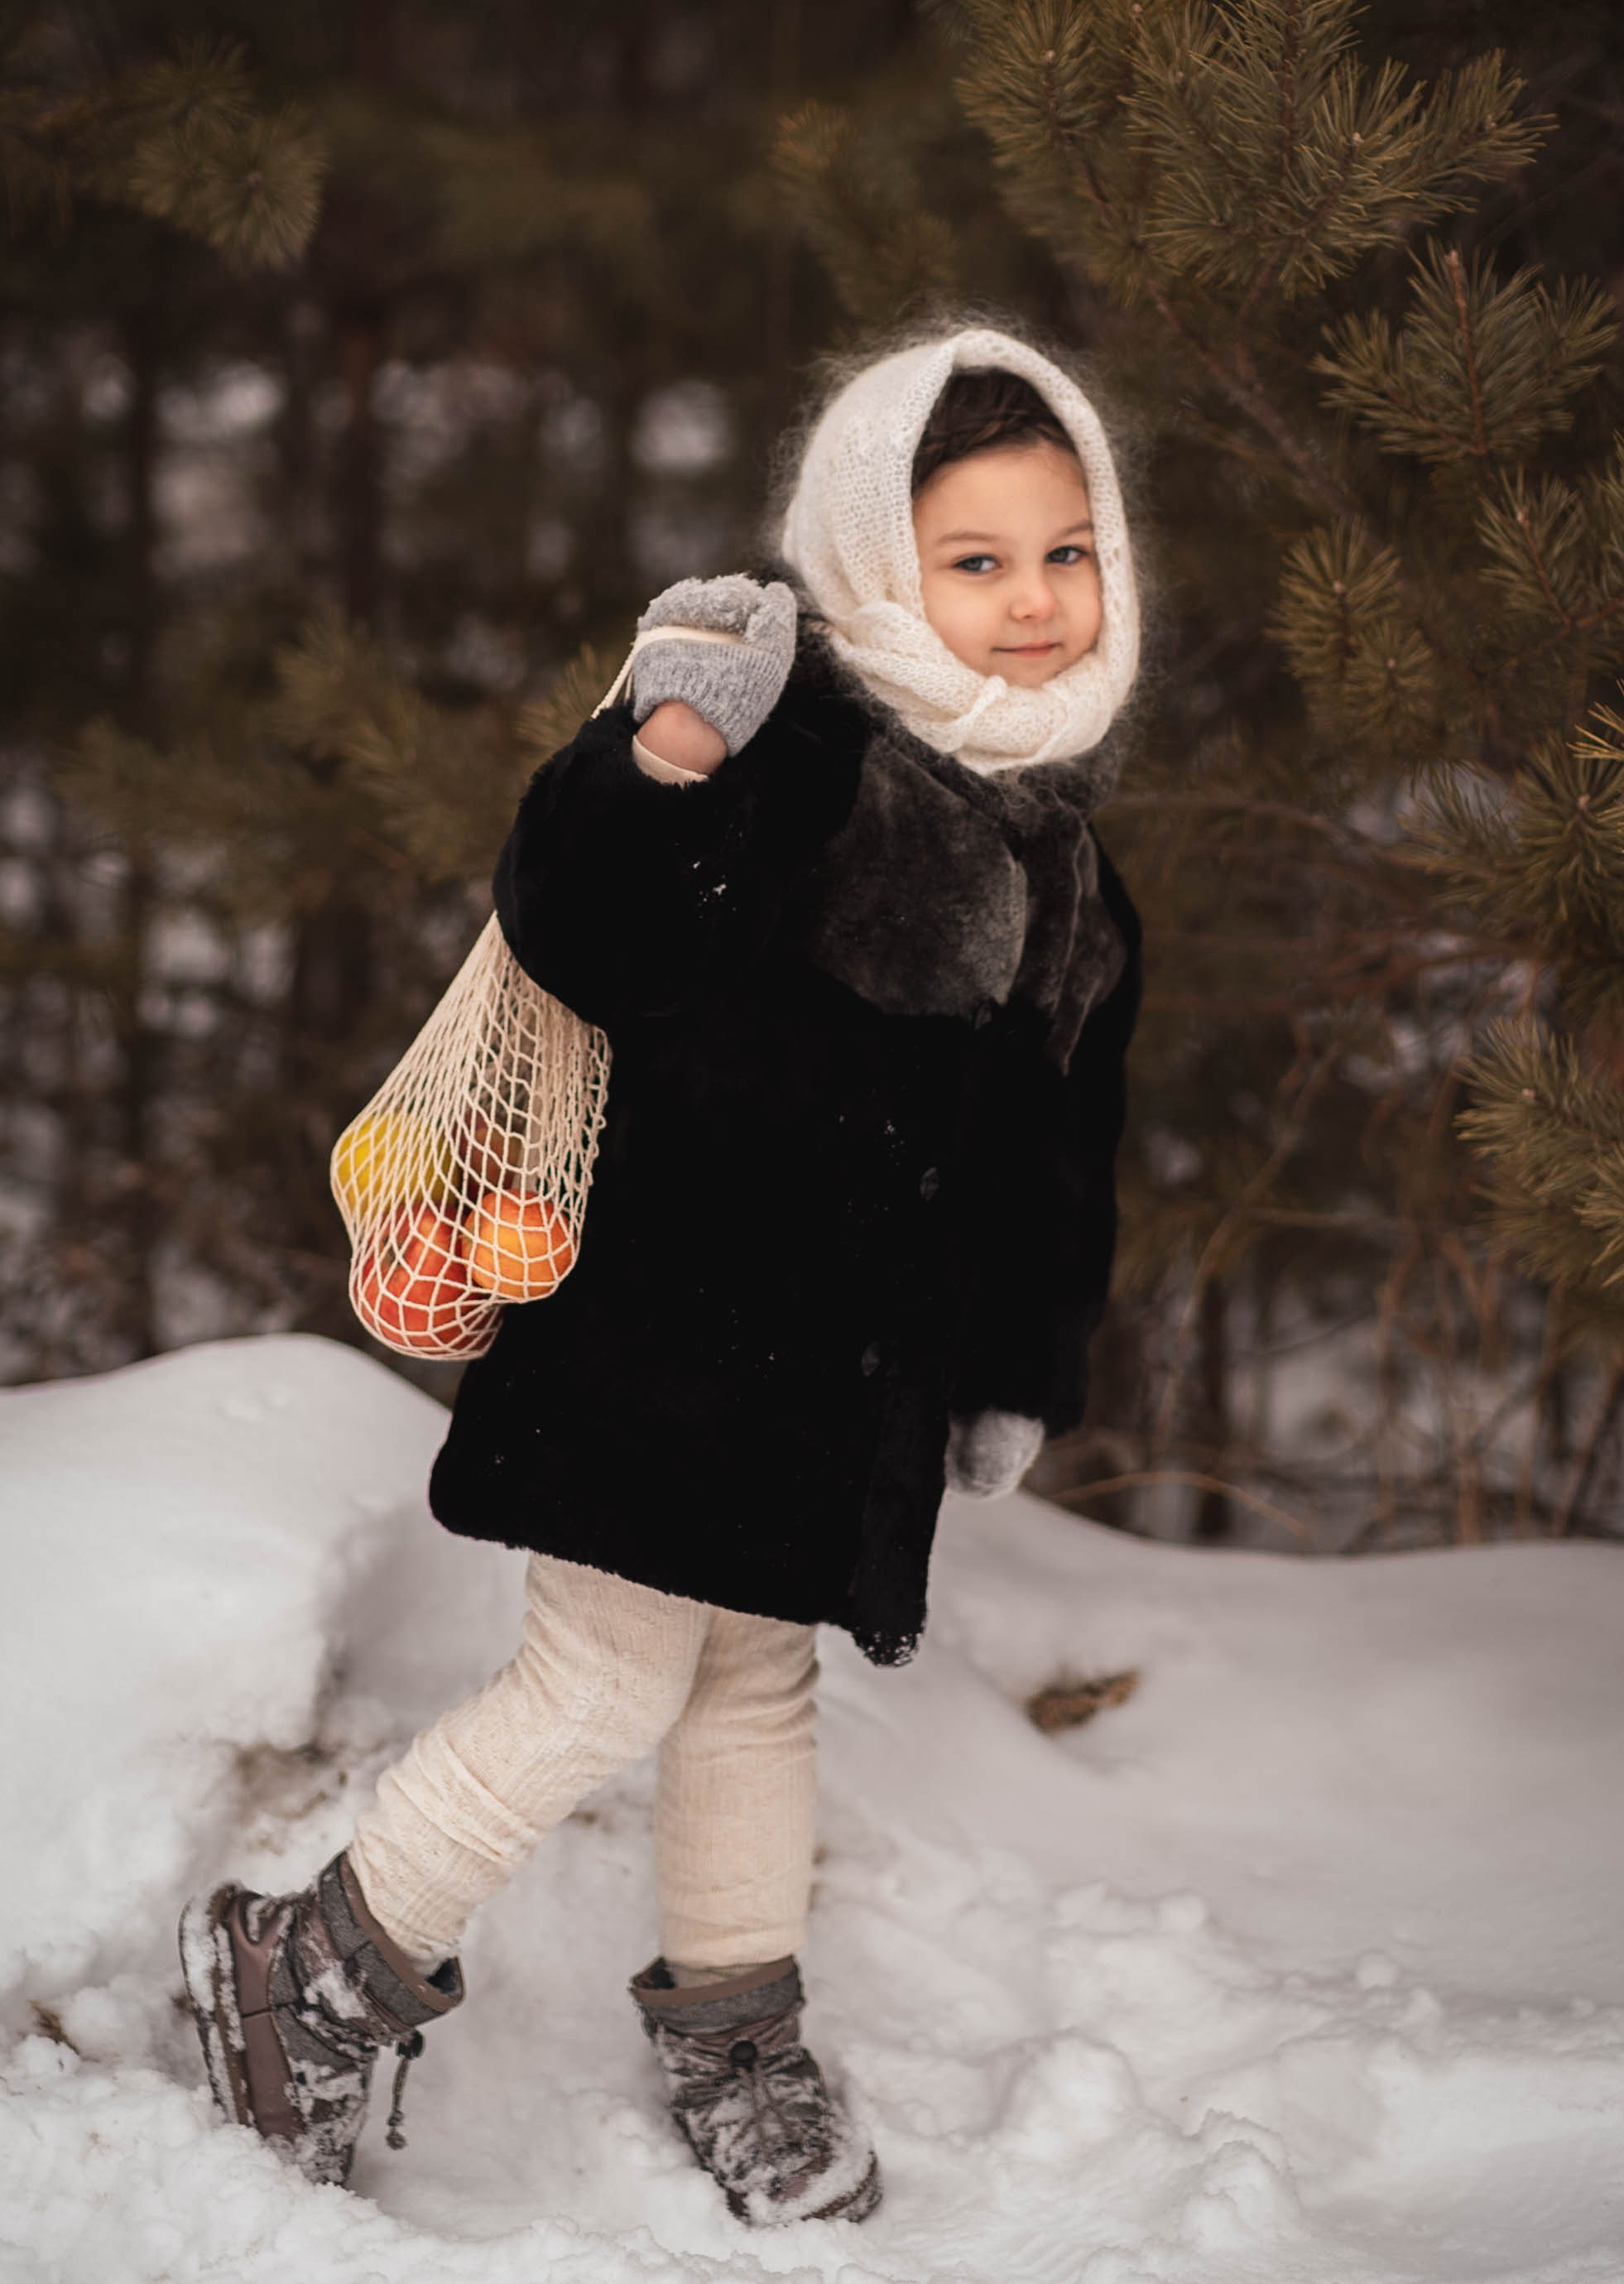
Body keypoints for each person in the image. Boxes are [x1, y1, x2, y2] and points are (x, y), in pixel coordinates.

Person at [178, 325, 1145, 2227]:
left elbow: (1055, 1159)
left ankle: (732, 2023)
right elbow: (582, 928)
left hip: (841, 1387)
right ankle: (318, 1968)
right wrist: (666, 748)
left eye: (1064, 549)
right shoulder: (794, 742)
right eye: (975, 559)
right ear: (878, 556)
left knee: (754, 1695)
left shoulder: (1068, 857)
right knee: (602, 1682)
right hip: (665, 1336)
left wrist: (1016, 1367)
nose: (1030, 602)